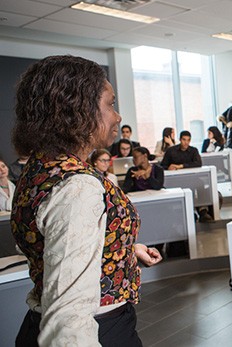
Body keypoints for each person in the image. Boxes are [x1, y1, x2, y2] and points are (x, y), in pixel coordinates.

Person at [11, 55, 162, 346]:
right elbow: (69, 315)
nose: (118, 116)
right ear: (77, 109)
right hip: (96, 329)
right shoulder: (77, 186)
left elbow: (54, 245)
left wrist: (124, 250)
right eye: (110, 104)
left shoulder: (41, 168)